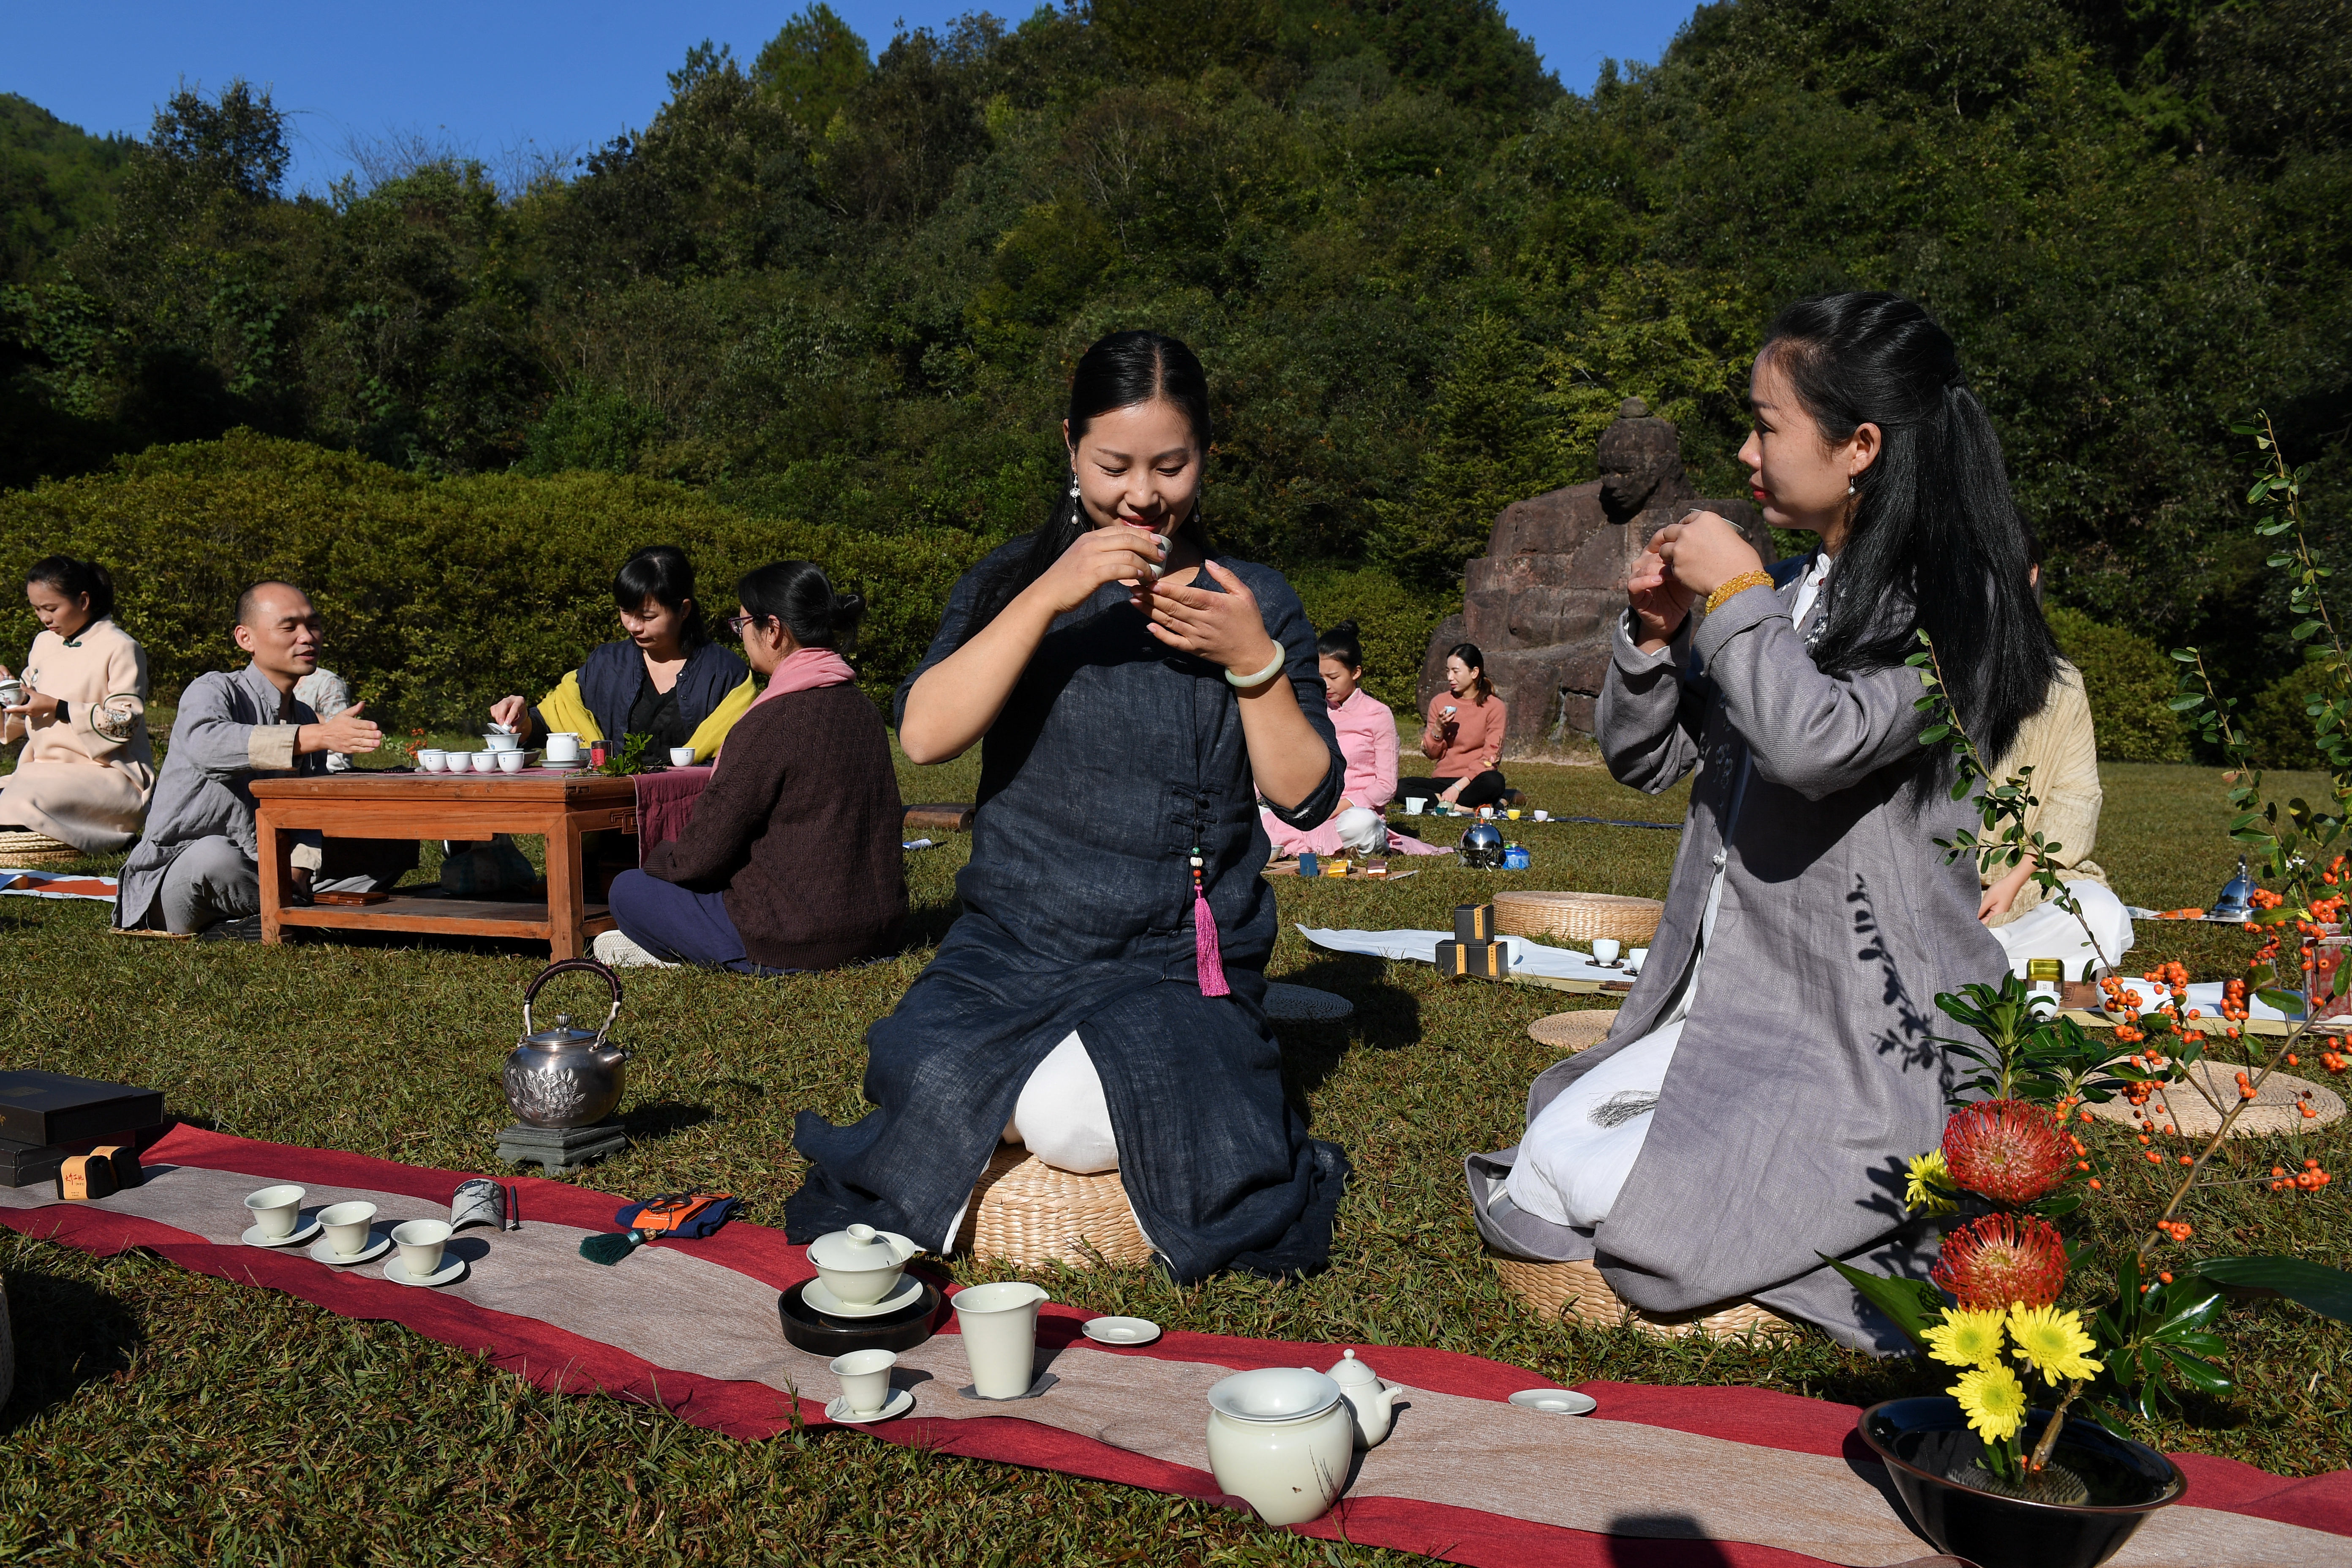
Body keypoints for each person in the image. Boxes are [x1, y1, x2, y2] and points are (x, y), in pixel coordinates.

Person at [1466, 292, 2053, 1351]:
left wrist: (1734, 592)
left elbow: (1810, 741)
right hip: (1728, 1000)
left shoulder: (1960, 604)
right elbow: (1650, 758)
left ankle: (1844, 1192)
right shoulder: (1797, 592)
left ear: (1859, 444)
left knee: (1630, 1216)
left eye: (1766, 423)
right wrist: (1653, 637)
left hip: (1863, 1024)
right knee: (1550, 1160)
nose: (1743, 450)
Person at [784, 330, 1349, 1281]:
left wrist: (1252, 659)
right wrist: (1053, 590)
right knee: (921, 1065)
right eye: (1113, 465)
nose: (1143, 494)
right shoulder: (1011, 581)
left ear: (1205, 455)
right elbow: (924, 733)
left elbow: (1306, 792)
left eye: (1171, 465)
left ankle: (1095, 1090)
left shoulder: (1253, 598)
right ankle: (1070, 1085)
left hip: (1175, 958)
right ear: (1069, 446)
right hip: (1014, 944)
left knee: (1069, 1118)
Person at [596, 561, 907, 973]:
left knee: (628, 889)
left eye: (741, 622)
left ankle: (688, 951)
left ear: (773, 629)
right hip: (880, 929)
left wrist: (656, 860)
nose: (740, 633)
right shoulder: (864, 709)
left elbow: (702, 858)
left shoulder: (768, 722)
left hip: (794, 939)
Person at [115, 581, 418, 938]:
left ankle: (279, 909)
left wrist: (301, 869)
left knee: (389, 848)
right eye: (289, 627)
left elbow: (307, 810)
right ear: (246, 639)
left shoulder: (304, 716)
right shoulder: (213, 689)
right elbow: (208, 746)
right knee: (216, 856)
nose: (307, 638)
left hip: (264, 870)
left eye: (313, 626)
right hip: (185, 872)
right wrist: (317, 736)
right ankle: (295, 913)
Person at [1979, 538, 2134, 977]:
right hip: (1938, 885)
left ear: (2030, 574)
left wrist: (2011, 885)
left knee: (2101, 918)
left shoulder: (2061, 683)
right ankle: (1977, 956)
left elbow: (2076, 798)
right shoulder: (1931, 665)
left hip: (2028, 881)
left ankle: (1979, 958)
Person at [489, 545, 754, 762]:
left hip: (691, 815)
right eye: (626, 612)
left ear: (684, 611)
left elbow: (742, 757)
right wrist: (521, 722)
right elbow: (551, 722)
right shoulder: (606, 664)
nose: (633, 626)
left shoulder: (725, 674)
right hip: (609, 819)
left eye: (648, 616)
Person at [0, 557, 155, 853]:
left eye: (51, 608)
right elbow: (22, 714)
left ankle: (111, 835)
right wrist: (7, 693)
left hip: (107, 777)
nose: (44, 618)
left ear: (84, 600)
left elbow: (124, 721)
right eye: (36, 609)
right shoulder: (44, 644)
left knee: (19, 801)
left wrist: (59, 707)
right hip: (43, 771)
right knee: (19, 794)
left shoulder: (120, 647)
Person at [1259, 620, 1447, 860]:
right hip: (1308, 809)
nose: (1325, 685)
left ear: (1356, 672)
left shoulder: (1378, 714)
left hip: (1352, 812)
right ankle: (1313, 840)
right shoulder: (1310, 709)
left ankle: (1321, 841)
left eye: (1334, 676)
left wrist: (1339, 807)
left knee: (1361, 824)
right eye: (1320, 676)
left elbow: (1386, 786)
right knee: (1253, 816)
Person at [1399, 643, 1509, 809]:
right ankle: (1466, 806)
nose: (1450, 677)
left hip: (1474, 780)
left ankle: (1444, 803)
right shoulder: (1440, 702)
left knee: (1495, 781)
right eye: (1448, 671)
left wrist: (1457, 788)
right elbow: (1431, 753)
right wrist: (1438, 728)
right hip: (1443, 780)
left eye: (1456, 672)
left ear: (1474, 672)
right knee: (1399, 786)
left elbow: (1491, 759)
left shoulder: (1495, 707)